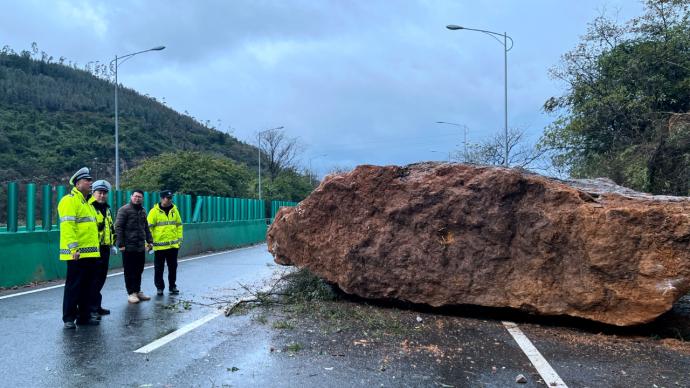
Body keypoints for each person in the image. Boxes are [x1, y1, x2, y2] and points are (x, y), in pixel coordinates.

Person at [58, 167, 101, 329]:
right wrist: (73, 249)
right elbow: (68, 227)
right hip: (76, 254)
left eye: (90, 180)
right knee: (74, 286)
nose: (90, 183)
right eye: (87, 180)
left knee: (87, 286)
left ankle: (84, 316)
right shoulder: (69, 200)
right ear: (77, 184)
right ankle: (68, 318)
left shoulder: (89, 203)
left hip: (90, 254)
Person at [115, 190, 153, 304]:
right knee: (129, 270)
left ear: (142, 198)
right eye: (135, 196)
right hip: (128, 247)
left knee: (139, 270)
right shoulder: (124, 210)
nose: (137, 198)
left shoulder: (143, 211)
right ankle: (131, 293)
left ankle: (137, 291)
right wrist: (120, 244)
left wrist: (150, 241)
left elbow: (146, 227)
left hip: (140, 246)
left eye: (140, 197)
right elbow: (118, 227)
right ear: (131, 197)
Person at [148, 190, 183, 295]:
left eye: (171, 198)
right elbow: (148, 228)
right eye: (168, 198)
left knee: (173, 267)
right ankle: (160, 287)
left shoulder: (174, 210)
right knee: (159, 268)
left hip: (173, 246)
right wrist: (149, 243)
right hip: (159, 247)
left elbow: (179, 225)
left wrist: (180, 240)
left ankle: (172, 286)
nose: (169, 200)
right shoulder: (154, 211)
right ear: (162, 198)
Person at [88, 180, 114, 316]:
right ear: (93, 193)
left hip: (105, 248)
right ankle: (90, 309)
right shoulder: (90, 207)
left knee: (101, 278)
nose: (102, 196)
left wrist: (113, 243)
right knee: (93, 279)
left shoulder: (107, 209)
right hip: (93, 248)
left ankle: (97, 306)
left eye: (104, 193)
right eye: (99, 193)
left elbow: (110, 228)